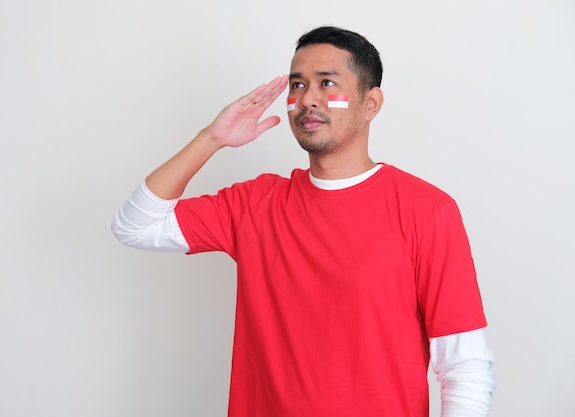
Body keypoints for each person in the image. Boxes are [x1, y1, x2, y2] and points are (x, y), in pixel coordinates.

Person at [112, 26, 495, 417]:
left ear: (371, 103)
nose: (306, 99)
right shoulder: (255, 204)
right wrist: (212, 138)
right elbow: (134, 226)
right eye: (297, 85)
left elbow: (464, 367)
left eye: (327, 83)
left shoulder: (426, 210)